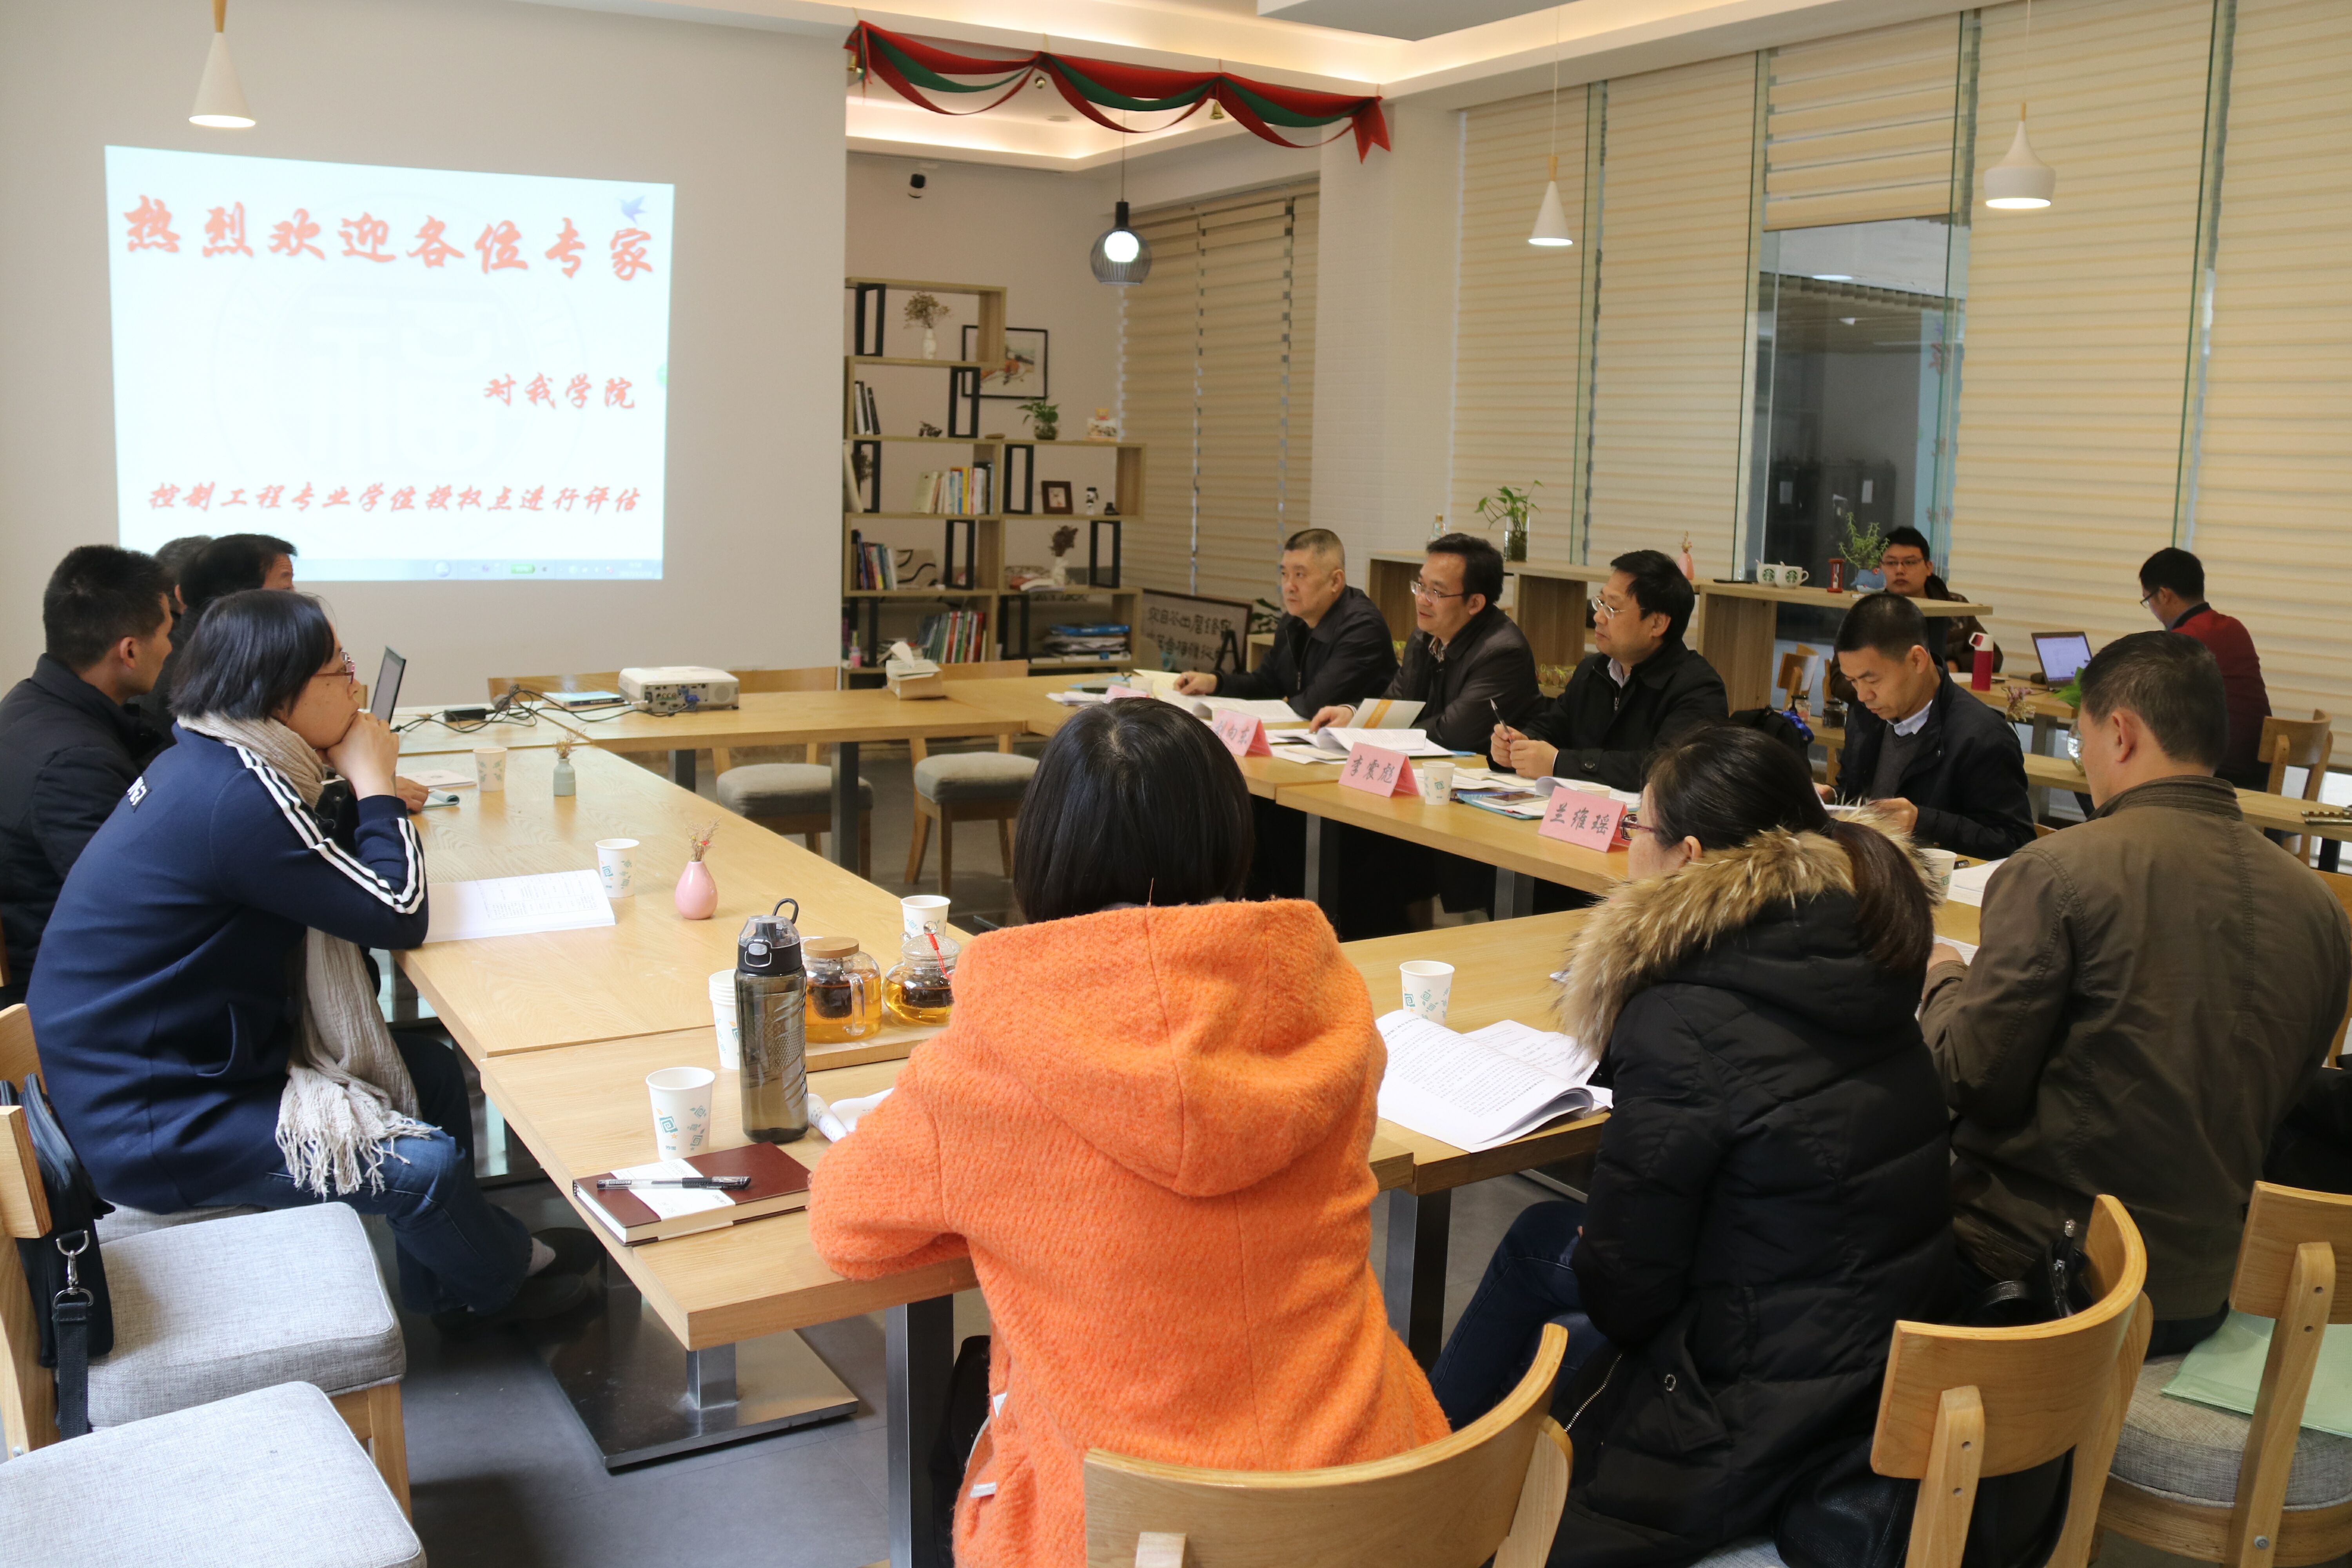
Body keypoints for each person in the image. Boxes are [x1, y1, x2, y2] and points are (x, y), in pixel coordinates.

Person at [809, 700, 1446, 1568]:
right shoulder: (1332, 1012)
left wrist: (1007, 1211)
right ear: (1229, 831)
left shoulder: (984, 1064)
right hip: (1374, 1509)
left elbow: (847, 1230)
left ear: (1044, 849)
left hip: (1124, 1537)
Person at [1432, 724, 1952, 1566]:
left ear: (1689, 857)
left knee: (1545, 1252)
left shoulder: (1680, 1014)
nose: (1628, 846)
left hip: (1753, 1397)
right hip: (1872, 1338)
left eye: (1638, 827)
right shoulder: (1869, 938)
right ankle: (1437, 1459)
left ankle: (1424, 1488)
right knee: (1545, 1241)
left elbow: (1628, 1296)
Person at [27, 590, 597, 1329]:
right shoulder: (237, 798)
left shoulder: (212, 758)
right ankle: (501, 1284)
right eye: (341, 670)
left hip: (178, 1069)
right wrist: (375, 785)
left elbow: (310, 865)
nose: (356, 689)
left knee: (429, 1075)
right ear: (280, 695)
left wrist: (356, 795)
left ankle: (452, 1288)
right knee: (424, 1171)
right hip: (157, 1124)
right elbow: (399, 914)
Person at [1921, 632, 2350, 1352]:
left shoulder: (2057, 871)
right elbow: (2288, 1098)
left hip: (2043, 1280)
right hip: (2209, 1283)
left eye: (2082, 742)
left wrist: (1942, 977)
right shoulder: (2319, 909)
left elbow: (1969, 1077)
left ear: (2120, 733)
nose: (2084, 763)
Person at [0, 547, 176, 1006]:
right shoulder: (76, 761)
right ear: (130, 650)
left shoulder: (26, 703)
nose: (171, 648)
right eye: (166, 634)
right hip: (73, 1000)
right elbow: (135, 911)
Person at [1489, 548, 1726, 789]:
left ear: (1657, 624)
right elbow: (1552, 727)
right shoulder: (1594, 670)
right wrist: (1519, 745)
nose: (1598, 617)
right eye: (1601, 603)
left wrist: (1558, 763)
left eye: (1612, 608)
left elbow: (1665, 769)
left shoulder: (1698, 688)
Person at [1831, 591, 2034, 859]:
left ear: (1917, 660)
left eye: (1872, 680)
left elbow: (2015, 842)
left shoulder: (1982, 736)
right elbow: (1858, 796)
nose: (1862, 695)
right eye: (1853, 681)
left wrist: (1923, 822)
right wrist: (1832, 799)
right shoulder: (1865, 714)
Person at [1309, 532, 1541, 751]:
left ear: (1475, 603)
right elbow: (1397, 704)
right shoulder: (1425, 637)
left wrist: (1384, 735)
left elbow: (1454, 733)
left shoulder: (1503, 653)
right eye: (1420, 586)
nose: (1421, 599)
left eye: (1436, 592)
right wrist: (1353, 715)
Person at [1175, 528, 1396, 719]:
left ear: (1335, 581)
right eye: (1284, 574)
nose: (1289, 586)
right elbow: (1267, 683)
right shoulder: (1293, 622)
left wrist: (1246, 715)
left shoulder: (1362, 628)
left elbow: (1314, 705)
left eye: (1300, 575)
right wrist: (1215, 683)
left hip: (1355, 745)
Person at [2140, 546, 2273, 788]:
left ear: (2164, 595)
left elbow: (2146, 704)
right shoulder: (2234, 628)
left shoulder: (2182, 641)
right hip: (2257, 772)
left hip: (2218, 775)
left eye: (2148, 600)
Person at [147, 532, 297, 722]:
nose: (297, 599)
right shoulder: (190, 677)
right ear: (237, 598)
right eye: (285, 589)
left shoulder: (231, 653)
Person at [1874, 525, 1999, 673]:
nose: (1900, 570)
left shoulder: (1954, 605)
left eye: (1910, 562)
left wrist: (1953, 666)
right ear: (1880, 568)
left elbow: (1994, 657)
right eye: (1891, 563)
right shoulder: (1871, 610)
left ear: (1929, 567)